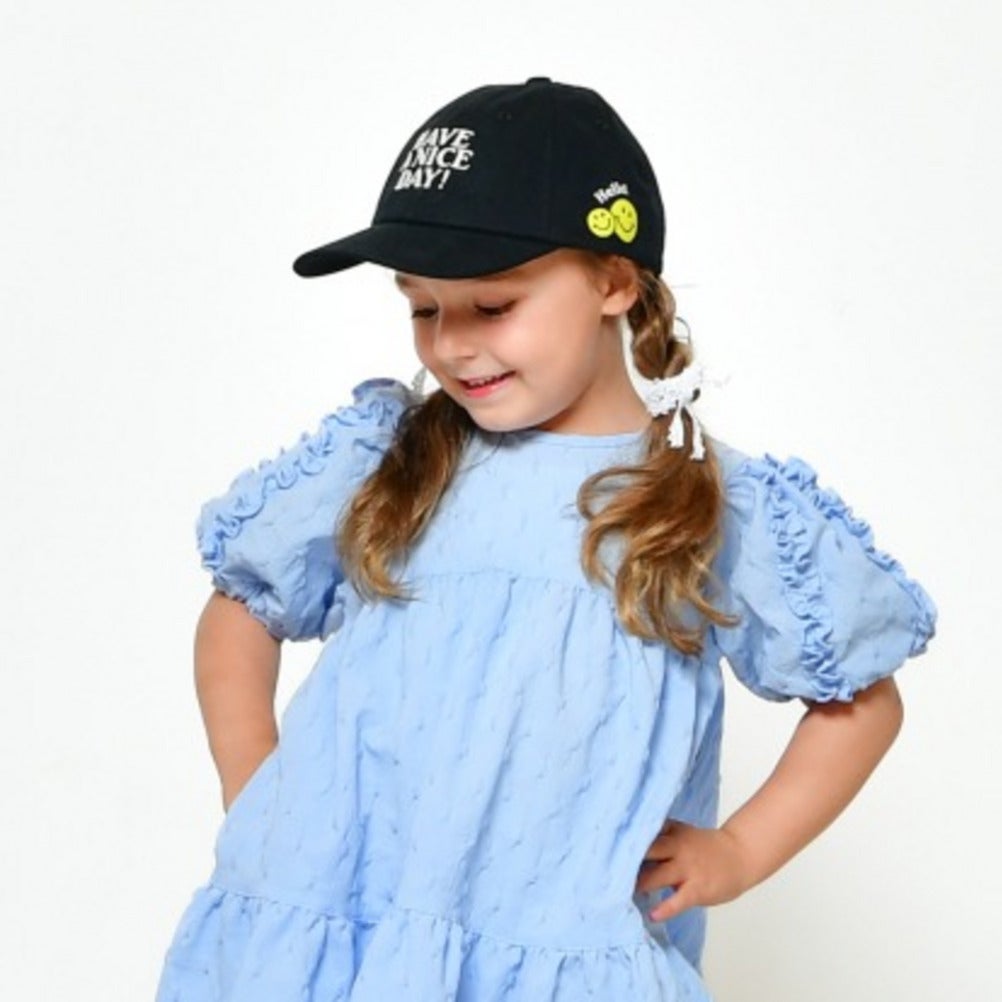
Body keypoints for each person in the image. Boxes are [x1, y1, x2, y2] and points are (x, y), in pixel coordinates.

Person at [154, 78, 936, 1000]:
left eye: (491, 307)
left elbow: (861, 700)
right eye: (422, 308)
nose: (450, 346)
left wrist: (738, 850)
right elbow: (242, 606)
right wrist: (258, 796)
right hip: (337, 932)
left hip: (556, 946)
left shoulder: (695, 500)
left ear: (614, 281)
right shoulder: (395, 459)